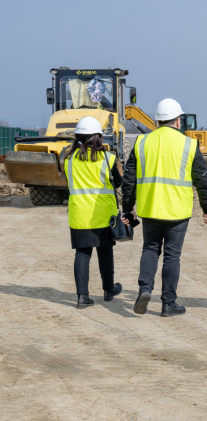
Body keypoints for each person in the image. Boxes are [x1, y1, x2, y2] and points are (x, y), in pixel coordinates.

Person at [121, 98, 207, 317]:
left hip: (150, 208)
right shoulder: (189, 144)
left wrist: (127, 208)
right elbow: (202, 180)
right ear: (178, 120)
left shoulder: (142, 142)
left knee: (150, 249)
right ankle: (168, 303)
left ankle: (145, 290)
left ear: (157, 120)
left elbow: (129, 179)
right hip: (177, 211)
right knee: (172, 256)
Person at [63, 116, 123, 309]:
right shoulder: (108, 158)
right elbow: (119, 183)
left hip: (79, 214)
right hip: (103, 215)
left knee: (82, 254)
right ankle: (108, 290)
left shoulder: (68, 159)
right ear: (97, 137)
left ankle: (82, 297)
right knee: (105, 252)